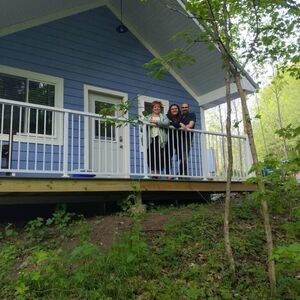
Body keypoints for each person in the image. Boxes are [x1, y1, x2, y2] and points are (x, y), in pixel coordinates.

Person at [144, 101, 170, 175]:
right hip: (150, 138)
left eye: (158, 107)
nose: (157, 108)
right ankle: (152, 170)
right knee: (150, 154)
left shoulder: (163, 116)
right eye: (155, 107)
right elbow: (143, 125)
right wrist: (149, 122)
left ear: (160, 108)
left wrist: (155, 122)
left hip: (160, 138)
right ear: (152, 108)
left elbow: (167, 123)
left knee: (159, 155)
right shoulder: (148, 117)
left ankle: (158, 171)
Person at [179, 103, 196, 175]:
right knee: (181, 156)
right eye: (183, 107)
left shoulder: (192, 115)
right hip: (178, 138)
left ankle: (182, 173)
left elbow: (191, 125)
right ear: (181, 108)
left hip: (187, 139)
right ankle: (181, 173)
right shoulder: (180, 116)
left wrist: (184, 127)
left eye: (186, 107)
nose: (184, 108)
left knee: (184, 156)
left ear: (188, 108)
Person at [165, 104, 182, 175]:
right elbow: (169, 123)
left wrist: (179, 123)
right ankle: (169, 174)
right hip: (169, 138)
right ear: (170, 110)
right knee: (168, 156)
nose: (174, 110)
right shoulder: (167, 116)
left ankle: (181, 173)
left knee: (182, 156)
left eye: (176, 108)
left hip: (179, 138)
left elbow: (183, 124)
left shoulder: (181, 117)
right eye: (172, 109)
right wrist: (179, 124)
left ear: (178, 110)